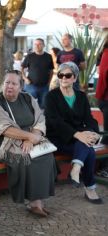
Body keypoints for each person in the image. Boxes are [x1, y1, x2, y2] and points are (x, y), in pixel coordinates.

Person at [0, 70, 56, 217]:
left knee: (46, 156)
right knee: (26, 157)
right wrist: (29, 137)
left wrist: (32, 137)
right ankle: (34, 203)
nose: (9, 86)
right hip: (3, 142)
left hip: (28, 139)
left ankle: (36, 202)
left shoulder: (27, 98)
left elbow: (39, 120)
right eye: (7, 82)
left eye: (14, 83)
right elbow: (5, 129)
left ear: (21, 86)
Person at [45, 62, 103, 204]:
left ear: (74, 78)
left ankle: (76, 168)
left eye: (68, 75)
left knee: (87, 145)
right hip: (58, 138)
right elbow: (54, 122)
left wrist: (93, 133)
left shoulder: (81, 96)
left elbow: (89, 119)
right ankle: (90, 188)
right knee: (89, 149)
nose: (64, 78)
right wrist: (78, 134)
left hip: (78, 139)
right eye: (61, 75)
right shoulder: (51, 96)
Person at [21, 38, 54, 108]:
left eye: (39, 44)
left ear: (43, 45)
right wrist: (25, 78)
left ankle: (40, 119)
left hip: (44, 86)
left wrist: (49, 82)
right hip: (31, 86)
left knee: (43, 106)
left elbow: (51, 71)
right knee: (28, 105)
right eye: (35, 44)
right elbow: (22, 68)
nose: (37, 46)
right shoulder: (29, 56)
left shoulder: (48, 56)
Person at [95, 36, 108, 178]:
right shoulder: (106, 54)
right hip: (106, 99)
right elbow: (104, 77)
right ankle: (103, 167)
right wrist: (102, 97)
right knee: (107, 134)